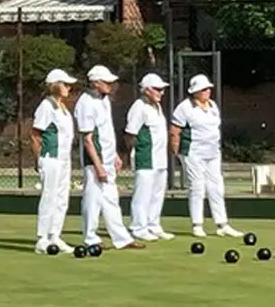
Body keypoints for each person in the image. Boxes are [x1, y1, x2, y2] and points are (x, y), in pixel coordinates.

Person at [75, 65, 143, 252]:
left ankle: (121, 238)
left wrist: (113, 155)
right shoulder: (85, 103)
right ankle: (90, 238)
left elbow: (105, 131)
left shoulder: (104, 100)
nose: (111, 86)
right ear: (96, 83)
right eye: (107, 82)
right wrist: (98, 166)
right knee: (92, 197)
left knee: (111, 198)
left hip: (106, 157)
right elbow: (88, 139)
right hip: (94, 160)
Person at [172, 74, 242, 239]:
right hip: (193, 152)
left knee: (216, 187)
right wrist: (177, 153)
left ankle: (222, 224)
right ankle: (197, 224)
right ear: (195, 91)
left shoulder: (212, 106)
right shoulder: (185, 107)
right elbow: (175, 131)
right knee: (197, 187)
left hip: (212, 153)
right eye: (203, 89)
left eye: (208, 88)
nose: (207, 91)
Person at [123, 74, 175, 241]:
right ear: (146, 90)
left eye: (162, 89)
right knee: (142, 194)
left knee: (157, 193)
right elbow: (130, 135)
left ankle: (153, 224)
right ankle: (138, 227)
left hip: (160, 159)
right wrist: (135, 153)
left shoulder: (157, 107)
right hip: (145, 158)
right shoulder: (139, 107)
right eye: (157, 89)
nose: (161, 92)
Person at [31, 69, 77, 255]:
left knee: (62, 199)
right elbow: (35, 136)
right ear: (55, 85)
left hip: (64, 159)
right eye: (65, 84)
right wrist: (39, 160)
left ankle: (55, 235)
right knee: (49, 197)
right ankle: (42, 238)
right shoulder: (46, 106)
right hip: (51, 158)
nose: (68, 87)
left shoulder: (63, 107)